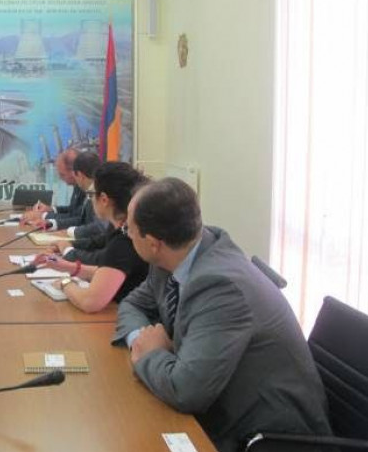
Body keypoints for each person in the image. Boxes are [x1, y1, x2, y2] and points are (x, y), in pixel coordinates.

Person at [114, 177, 332, 452]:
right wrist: (140, 338)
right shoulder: (175, 254)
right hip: (218, 397)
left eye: (129, 230)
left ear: (153, 242)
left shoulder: (220, 287)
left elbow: (185, 392)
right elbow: (132, 305)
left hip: (265, 435)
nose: (127, 234)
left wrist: (150, 353)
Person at [33, 162, 149, 313]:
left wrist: (65, 282)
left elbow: (89, 302)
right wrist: (65, 266)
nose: (91, 200)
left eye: (91, 195)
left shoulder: (125, 239)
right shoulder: (122, 228)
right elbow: (108, 271)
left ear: (104, 200)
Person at [22, 148, 86, 230]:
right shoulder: (77, 185)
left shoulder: (87, 188)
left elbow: (79, 218)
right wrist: (51, 209)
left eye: (62, 175)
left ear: (75, 172)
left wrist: (43, 216)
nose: (60, 178)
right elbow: (73, 210)